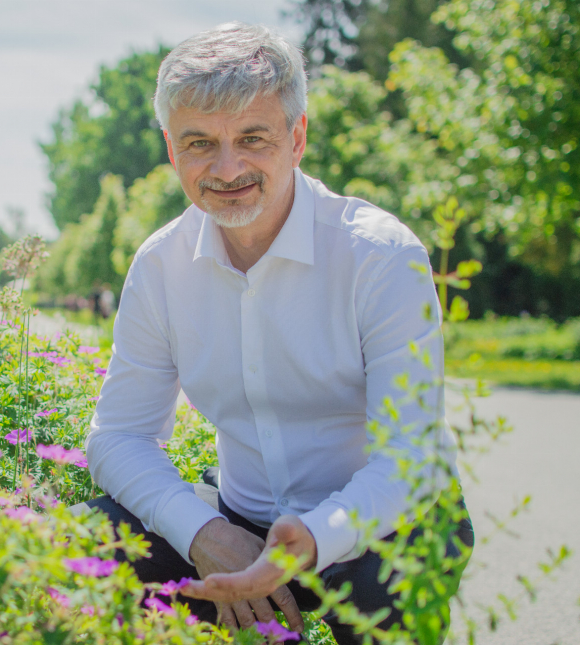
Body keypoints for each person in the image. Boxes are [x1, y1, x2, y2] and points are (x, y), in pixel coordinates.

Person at [77, 22, 472, 645]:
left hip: (378, 524)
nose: (227, 167)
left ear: (298, 137)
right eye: (200, 142)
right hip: (239, 522)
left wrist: (315, 539)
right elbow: (119, 437)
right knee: (88, 541)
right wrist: (204, 535)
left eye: (252, 138)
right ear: (171, 149)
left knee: (386, 583)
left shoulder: (380, 255)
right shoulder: (160, 266)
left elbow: (411, 458)